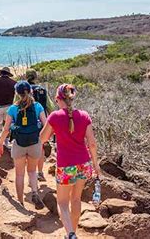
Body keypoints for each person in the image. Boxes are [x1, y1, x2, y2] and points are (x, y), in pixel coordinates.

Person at [40, 84, 100, 239]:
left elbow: (43, 138)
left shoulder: (55, 116)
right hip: (84, 164)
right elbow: (92, 143)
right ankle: (72, 232)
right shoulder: (84, 115)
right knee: (76, 199)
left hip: (66, 165)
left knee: (62, 203)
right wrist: (96, 165)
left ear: (59, 99)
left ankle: (71, 234)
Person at [0, 81, 46, 209]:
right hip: (35, 143)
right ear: (30, 91)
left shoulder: (13, 108)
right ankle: (34, 192)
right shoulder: (38, 106)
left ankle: (20, 202)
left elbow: (6, 129)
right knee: (32, 171)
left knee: (19, 174)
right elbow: (46, 125)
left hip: (19, 143)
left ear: (16, 94)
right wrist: (42, 141)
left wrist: (0, 144)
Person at [24, 69, 55, 181]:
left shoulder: (22, 89)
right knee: (40, 148)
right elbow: (50, 107)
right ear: (36, 77)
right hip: (41, 124)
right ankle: (40, 172)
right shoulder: (42, 90)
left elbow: (15, 105)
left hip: (26, 123)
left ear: (26, 76)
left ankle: (31, 174)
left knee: (27, 148)